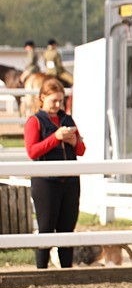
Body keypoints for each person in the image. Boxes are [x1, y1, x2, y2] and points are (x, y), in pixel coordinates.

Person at [24, 78, 85, 269]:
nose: (58, 105)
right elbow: (32, 151)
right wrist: (55, 138)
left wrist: (74, 141)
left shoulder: (67, 119)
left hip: (70, 181)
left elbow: (81, 150)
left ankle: (66, 271)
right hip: (46, 182)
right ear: (42, 98)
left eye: (60, 101)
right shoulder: (34, 121)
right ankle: (41, 271)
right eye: (54, 101)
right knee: (46, 229)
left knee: (67, 230)